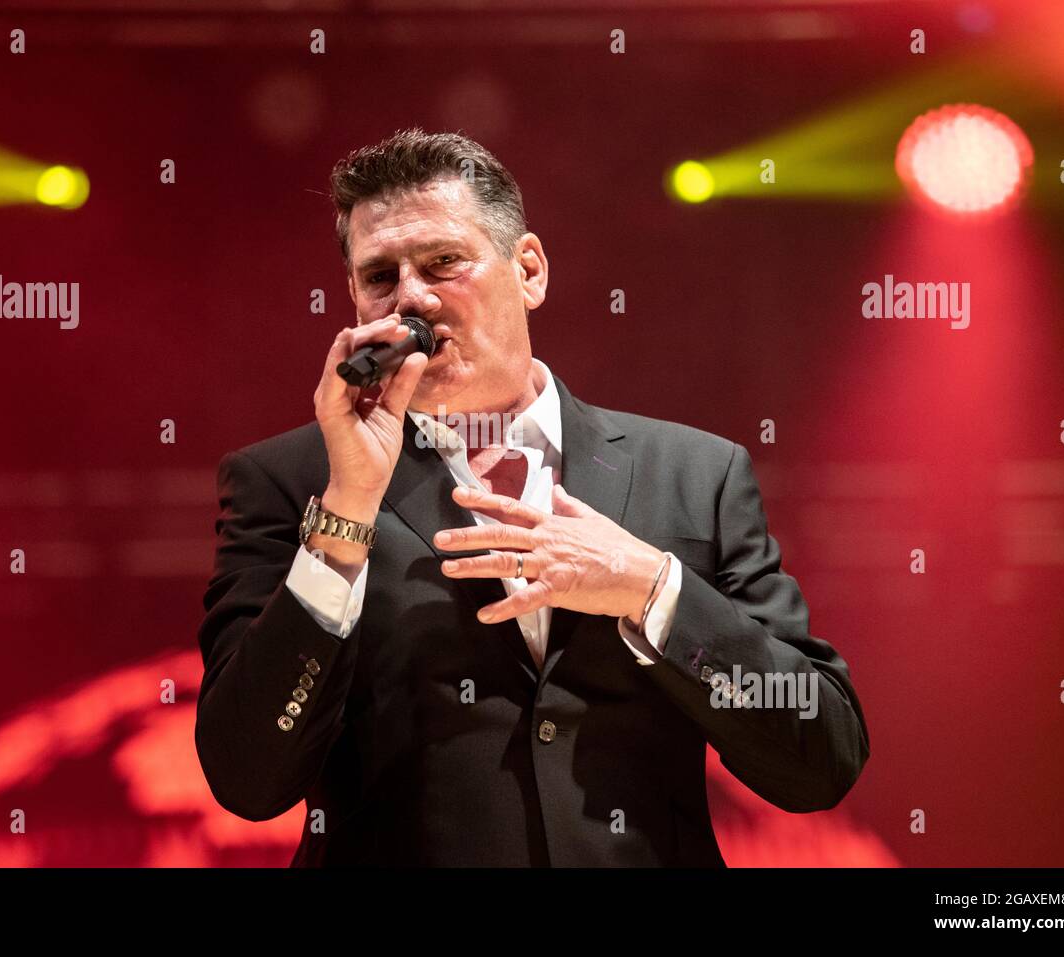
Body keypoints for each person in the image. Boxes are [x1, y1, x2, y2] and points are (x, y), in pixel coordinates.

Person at [195, 127, 869, 866]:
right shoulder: (291, 482)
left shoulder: (696, 472)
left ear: (529, 270)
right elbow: (246, 778)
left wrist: (654, 591)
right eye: (380, 276)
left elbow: (820, 753)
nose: (412, 296)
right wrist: (348, 510)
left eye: (443, 261)